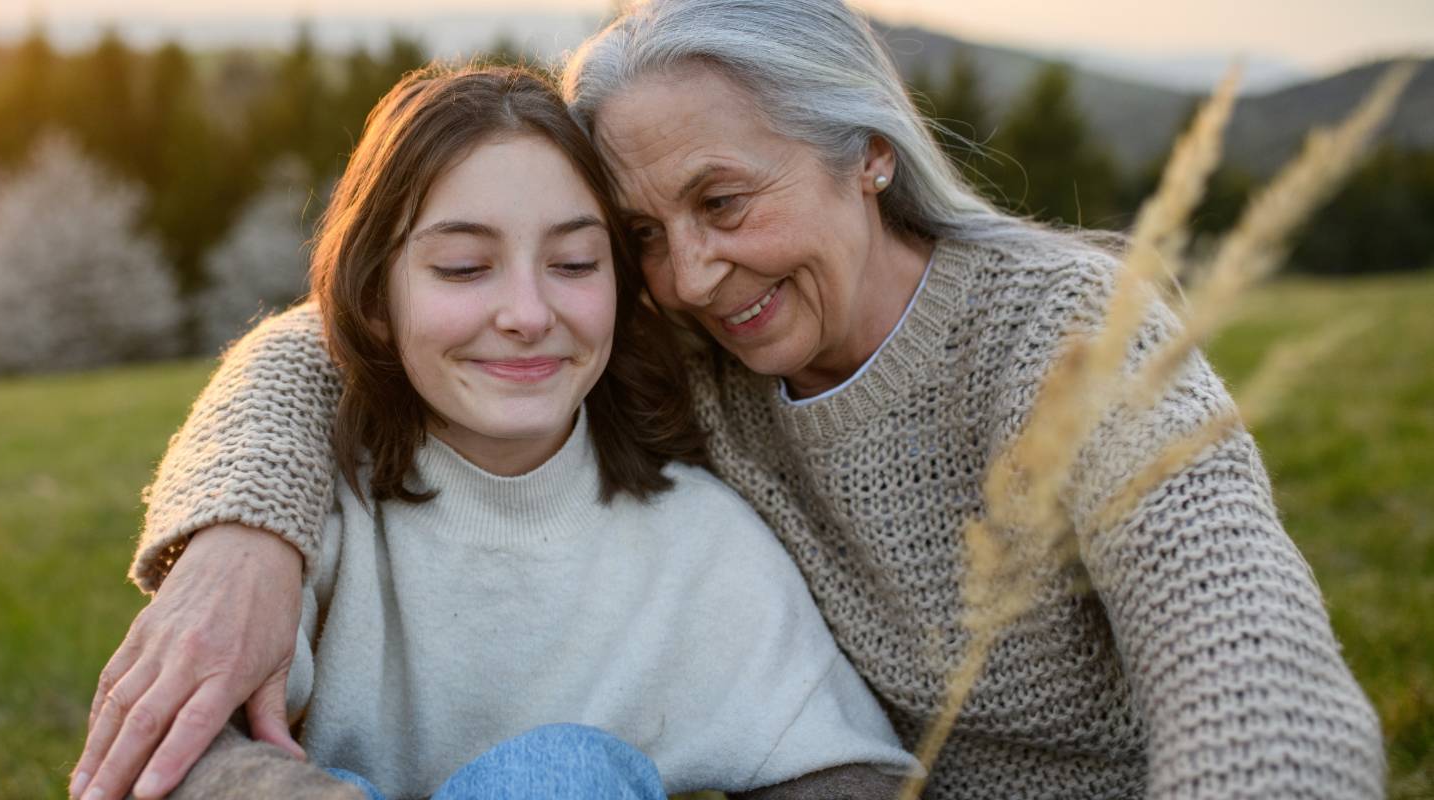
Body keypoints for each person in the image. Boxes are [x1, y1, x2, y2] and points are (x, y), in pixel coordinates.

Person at [73, 1, 1386, 798]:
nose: (691, 275)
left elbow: (1250, 662)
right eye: (639, 233)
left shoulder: (1064, 334)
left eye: (724, 202)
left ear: (869, 151)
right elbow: (352, 332)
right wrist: (246, 535)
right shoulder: (699, 343)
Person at [75, 65, 919, 800]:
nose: (526, 314)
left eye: (575, 264)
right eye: (464, 268)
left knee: (562, 777)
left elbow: (843, 771)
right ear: (376, 298)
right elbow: (170, 752)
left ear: (624, 292)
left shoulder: (701, 545)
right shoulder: (297, 518)